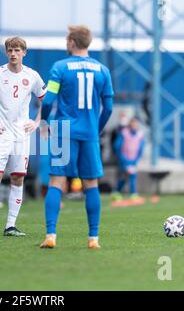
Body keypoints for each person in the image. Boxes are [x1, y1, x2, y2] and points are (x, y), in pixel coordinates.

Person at [40, 25, 114, 249]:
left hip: (63, 131)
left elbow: (47, 100)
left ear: (72, 42)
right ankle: (93, 239)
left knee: (57, 182)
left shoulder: (60, 67)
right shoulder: (102, 70)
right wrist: (96, 129)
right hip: (89, 132)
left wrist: (45, 122)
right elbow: (108, 107)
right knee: (91, 184)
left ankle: (51, 235)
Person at [0, 36, 47, 237]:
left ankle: (11, 226)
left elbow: (47, 102)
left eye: (17, 50)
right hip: (1, 133)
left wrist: (37, 121)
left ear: (24, 53)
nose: (13, 53)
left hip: (21, 135)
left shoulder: (33, 76)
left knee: (18, 179)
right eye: (10, 50)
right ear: (6, 52)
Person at [111, 118, 145, 200]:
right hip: (124, 160)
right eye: (133, 124)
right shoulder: (124, 133)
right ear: (130, 125)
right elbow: (117, 147)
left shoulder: (140, 134)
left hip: (133, 160)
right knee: (131, 175)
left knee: (125, 176)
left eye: (136, 124)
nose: (134, 126)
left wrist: (136, 159)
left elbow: (141, 149)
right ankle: (133, 194)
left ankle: (116, 192)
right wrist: (123, 159)